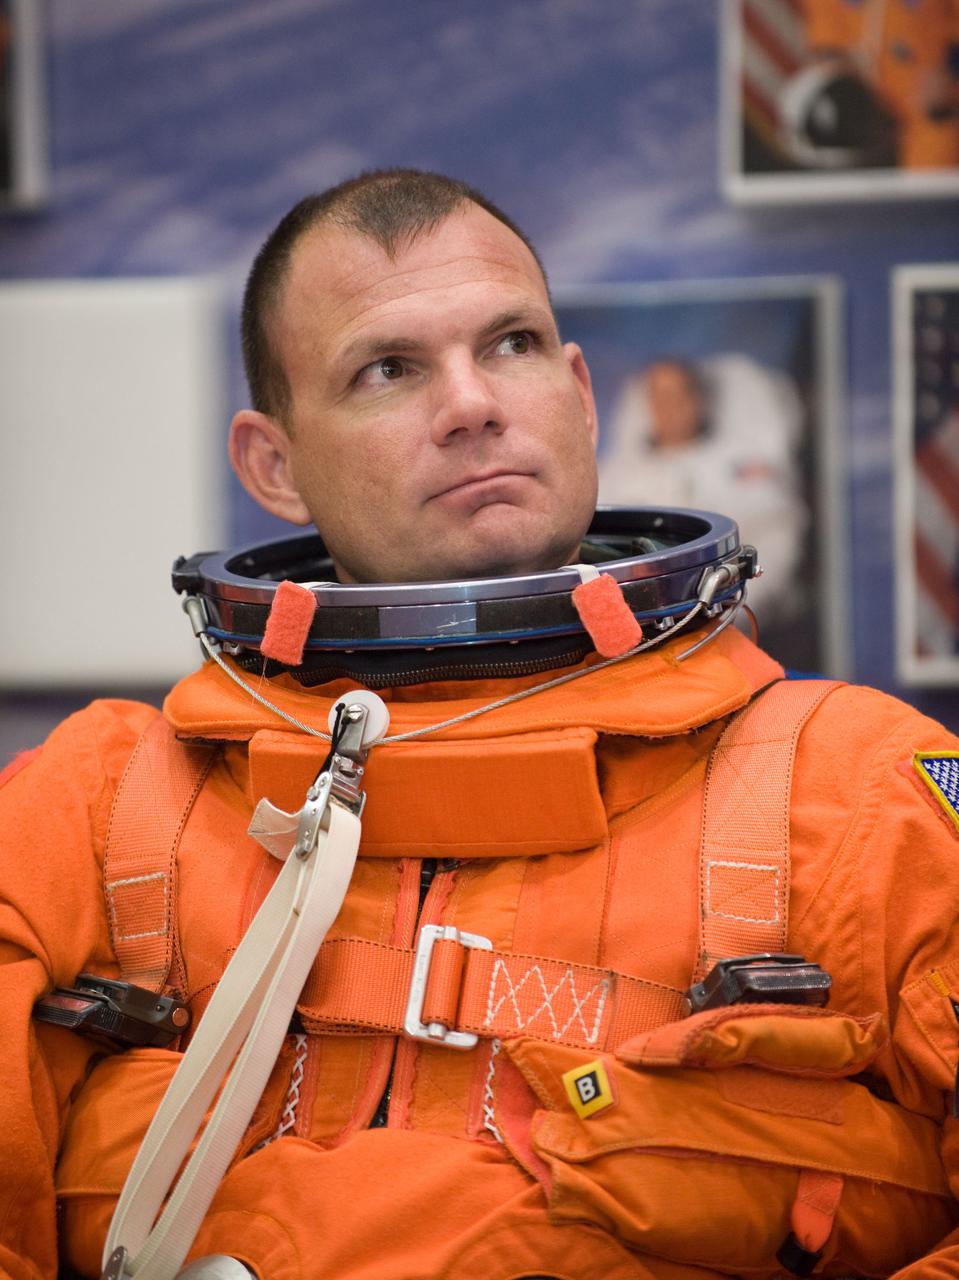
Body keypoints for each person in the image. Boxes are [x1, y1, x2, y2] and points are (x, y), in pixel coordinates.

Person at [3, 169, 959, 1280]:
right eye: (388, 368)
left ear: (580, 395)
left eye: (508, 343)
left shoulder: (854, 789)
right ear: (274, 463)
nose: (470, 403)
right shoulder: (101, 810)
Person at [599, 355, 808, 625]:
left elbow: (775, 539)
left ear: (697, 398)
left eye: (677, 394)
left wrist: (732, 603)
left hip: (739, 618)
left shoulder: (740, 465)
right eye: (658, 396)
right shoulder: (616, 475)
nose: (668, 407)